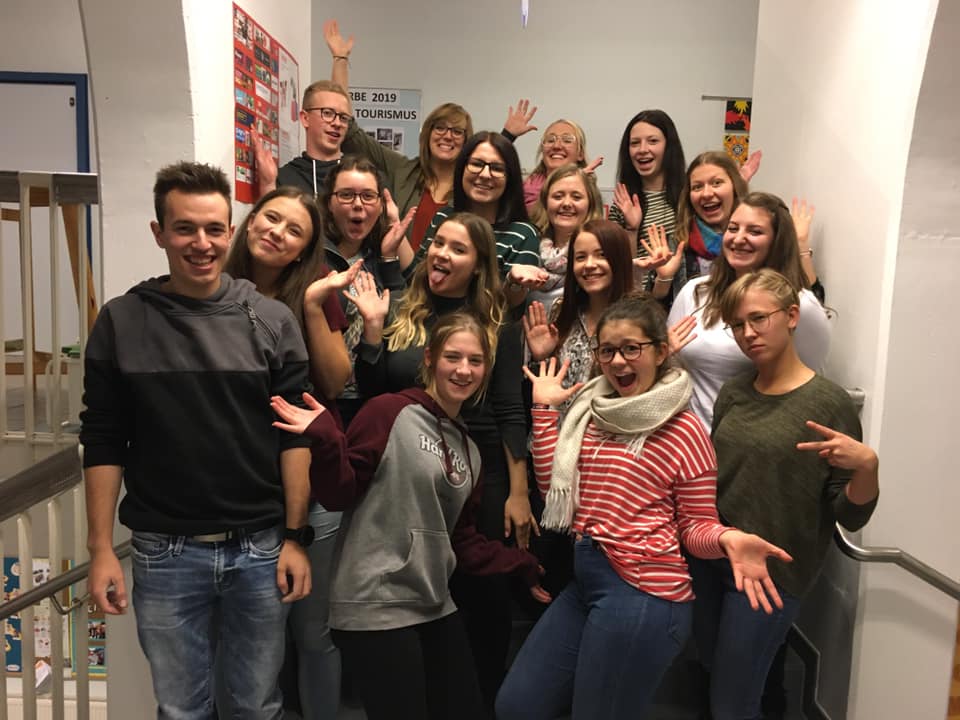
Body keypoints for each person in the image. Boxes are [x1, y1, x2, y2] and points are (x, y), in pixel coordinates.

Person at [81, 162, 313, 718]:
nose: (201, 243)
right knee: (181, 709)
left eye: (213, 228)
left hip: (260, 548)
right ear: (159, 233)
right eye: (184, 228)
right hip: (164, 552)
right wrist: (99, 549)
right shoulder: (121, 321)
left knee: (257, 705)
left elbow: (295, 438)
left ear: (230, 232)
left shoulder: (272, 319)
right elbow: (104, 438)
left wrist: (295, 537)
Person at [495, 294, 791, 720]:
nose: (618, 362)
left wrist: (726, 538)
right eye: (607, 351)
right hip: (587, 579)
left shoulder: (685, 430)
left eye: (631, 348)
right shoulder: (592, 411)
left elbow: (695, 526)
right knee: (517, 705)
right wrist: (543, 409)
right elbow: (553, 489)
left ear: (661, 351)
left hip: (645, 595)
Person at [270, 311, 550, 720]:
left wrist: (521, 563)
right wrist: (328, 441)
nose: (464, 370)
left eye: (475, 361)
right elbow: (338, 493)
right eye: (453, 357)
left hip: (434, 602)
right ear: (430, 358)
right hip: (374, 602)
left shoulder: (469, 451)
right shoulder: (387, 412)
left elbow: (463, 543)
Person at [350, 212, 536, 707]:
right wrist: (373, 332)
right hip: (409, 466)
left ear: (478, 265)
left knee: (484, 596)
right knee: (421, 588)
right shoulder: (401, 307)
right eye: (438, 243)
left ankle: (480, 701)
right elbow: (374, 392)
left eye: (458, 248)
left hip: (479, 469)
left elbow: (508, 409)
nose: (442, 254)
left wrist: (518, 492)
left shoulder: (498, 324)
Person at [691, 268, 879, 720]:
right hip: (716, 555)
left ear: (792, 316)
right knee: (712, 674)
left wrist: (868, 467)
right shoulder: (734, 392)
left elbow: (849, 516)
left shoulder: (828, 404)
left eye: (759, 318)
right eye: (738, 325)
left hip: (771, 574)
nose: (748, 333)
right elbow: (718, 476)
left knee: (732, 704)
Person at [224, 185, 354, 720]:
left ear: (305, 248)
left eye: (294, 230)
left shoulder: (315, 290)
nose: (277, 233)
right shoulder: (212, 285)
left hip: (309, 482)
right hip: (242, 486)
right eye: (271, 218)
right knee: (252, 634)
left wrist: (312, 305)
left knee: (311, 631)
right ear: (251, 220)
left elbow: (335, 380)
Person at [324, 20, 537, 251]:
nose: (448, 136)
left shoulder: (470, 186)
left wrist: (506, 137)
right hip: (396, 268)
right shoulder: (401, 169)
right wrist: (340, 60)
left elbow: (492, 172)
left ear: (466, 142)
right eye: (440, 128)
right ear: (427, 133)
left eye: (457, 131)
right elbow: (350, 132)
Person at [667, 191, 832, 429]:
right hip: (695, 443)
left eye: (754, 232)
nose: (738, 238)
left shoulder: (801, 304)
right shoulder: (696, 292)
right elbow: (672, 366)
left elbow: (811, 385)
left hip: (759, 440)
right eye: (733, 228)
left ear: (776, 241)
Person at [317, 156, 416, 426]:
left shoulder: (381, 258)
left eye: (368, 196)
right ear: (329, 203)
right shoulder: (313, 256)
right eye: (346, 195)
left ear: (380, 205)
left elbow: (402, 322)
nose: (358, 204)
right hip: (319, 401)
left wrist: (390, 257)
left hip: (370, 403)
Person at [404, 131, 545, 307]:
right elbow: (416, 279)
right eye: (476, 164)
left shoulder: (522, 234)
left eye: (497, 168)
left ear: (510, 177)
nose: (485, 174)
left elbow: (509, 308)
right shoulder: (444, 216)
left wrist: (514, 283)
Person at [674, 151, 825, 300]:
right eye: (697, 187)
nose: (706, 193)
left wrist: (800, 243)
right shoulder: (678, 244)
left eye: (717, 183)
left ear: (734, 185)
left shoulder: (766, 236)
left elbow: (810, 301)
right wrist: (664, 279)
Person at [522, 219, 636, 404]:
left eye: (601, 255)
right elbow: (542, 393)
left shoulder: (638, 320)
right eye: (581, 257)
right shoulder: (562, 312)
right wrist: (541, 358)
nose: (589, 264)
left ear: (619, 259)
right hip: (559, 421)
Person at [608, 109, 688, 301]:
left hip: (682, 298)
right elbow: (621, 268)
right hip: (637, 303)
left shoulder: (688, 196)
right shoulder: (623, 202)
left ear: (668, 146)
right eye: (635, 143)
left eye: (653, 141)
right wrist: (632, 229)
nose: (642, 149)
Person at [253, 78, 352, 198]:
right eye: (327, 113)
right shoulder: (285, 179)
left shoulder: (360, 176)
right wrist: (268, 185)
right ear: (305, 118)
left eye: (343, 118)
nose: (337, 123)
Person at [526, 164, 604, 313]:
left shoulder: (603, 250)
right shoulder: (529, 245)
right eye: (558, 196)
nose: (567, 204)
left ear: (590, 204)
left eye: (576, 197)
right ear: (545, 202)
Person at [521, 119, 602, 210]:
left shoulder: (588, 192)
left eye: (567, 140)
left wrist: (576, 182)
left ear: (580, 154)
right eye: (550, 140)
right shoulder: (522, 188)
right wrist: (510, 135)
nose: (556, 146)